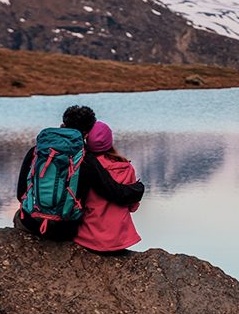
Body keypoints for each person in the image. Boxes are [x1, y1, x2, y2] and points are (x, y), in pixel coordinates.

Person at [15, 105, 144, 241]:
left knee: (19, 216)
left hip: (30, 222)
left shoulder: (37, 151)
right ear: (87, 135)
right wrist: (138, 188)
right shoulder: (84, 158)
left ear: (62, 125)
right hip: (63, 229)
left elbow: (20, 194)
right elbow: (114, 192)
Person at [73, 121, 142, 253]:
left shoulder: (83, 165)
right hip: (119, 239)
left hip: (88, 237)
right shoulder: (126, 167)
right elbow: (132, 206)